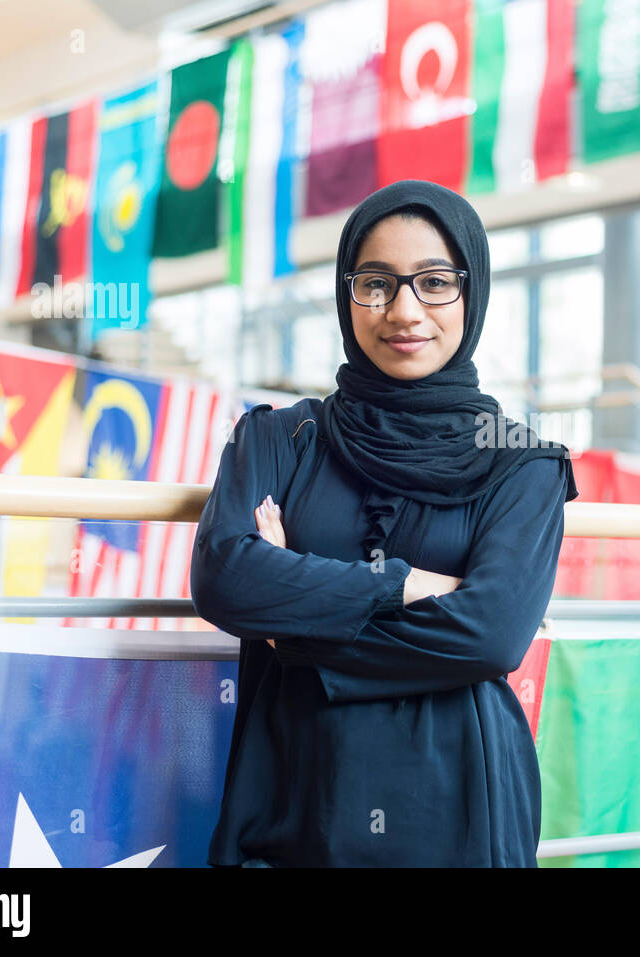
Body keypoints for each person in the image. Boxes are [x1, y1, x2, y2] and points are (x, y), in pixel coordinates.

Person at [190, 179, 579, 867]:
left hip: (459, 802)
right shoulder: (281, 438)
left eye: (434, 282)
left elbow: (490, 634)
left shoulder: (523, 464)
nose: (404, 310)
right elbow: (225, 577)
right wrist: (403, 584)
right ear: (348, 294)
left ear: (473, 290)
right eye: (377, 282)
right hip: (295, 794)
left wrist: (293, 628)